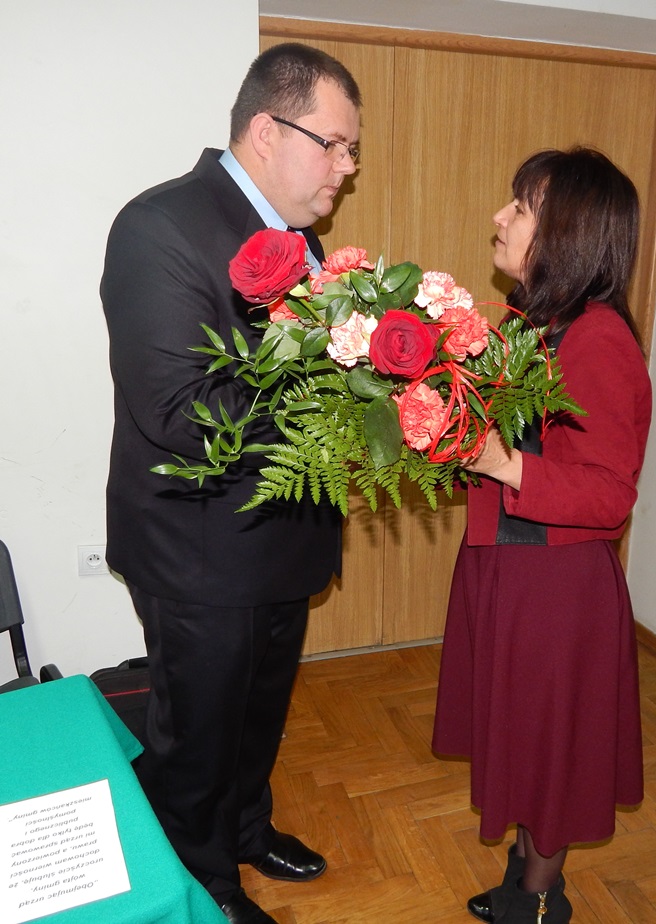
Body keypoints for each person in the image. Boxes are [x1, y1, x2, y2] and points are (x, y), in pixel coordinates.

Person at [101, 43, 362, 924]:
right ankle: (202, 880)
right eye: (334, 145)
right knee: (198, 737)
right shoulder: (159, 226)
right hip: (200, 548)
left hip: (284, 538)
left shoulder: (302, 241)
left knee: (257, 713)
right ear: (266, 129)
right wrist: (335, 395)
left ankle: (247, 828)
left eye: (352, 150)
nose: (346, 167)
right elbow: (177, 409)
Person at [432, 147, 652, 924]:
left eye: (520, 207)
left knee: (550, 755)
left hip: (557, 593)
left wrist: (504, 462)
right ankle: (523, 879)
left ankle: (536, 902)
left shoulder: (597, 341)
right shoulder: (530, 321)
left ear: (567, 232)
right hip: (508, 571)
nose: (500, 216)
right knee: (526, 743)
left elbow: (610, 494)